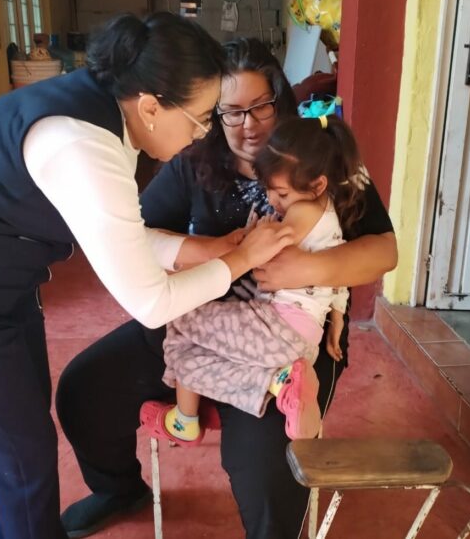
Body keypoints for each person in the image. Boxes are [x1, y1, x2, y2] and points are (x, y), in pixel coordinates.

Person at [0, 15, 294, 539]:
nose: (203, 133)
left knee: (29, 430)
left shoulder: (109, 110)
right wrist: (240, 259)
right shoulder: (81, 146)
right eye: (202, 117)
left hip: (1, 280)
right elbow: (151, 303)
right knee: (20, 457)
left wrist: (205, 250)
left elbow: (114, 231)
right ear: (151, 106)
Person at [55, 37, 398, 539]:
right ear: (211, 113)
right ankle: (118, 489)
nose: (248, 124)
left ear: (280, 99)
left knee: (264, 467)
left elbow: (384, 251)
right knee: (84, 388)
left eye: (261, 106)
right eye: (231, 112)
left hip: (287, 338)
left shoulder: (321, 158)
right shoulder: (192, 160)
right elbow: (135, 236)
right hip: (203, 317)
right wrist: (211, 252)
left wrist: (308, 268)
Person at [140, 114, 371, 446]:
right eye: (268, 189)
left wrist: (249, 239)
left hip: (274, 327)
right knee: (190, 359)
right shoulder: (325, 216)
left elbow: (268, 249)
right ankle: (280, 383)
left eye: (281, 194)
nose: (273, 201)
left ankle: (186, 420)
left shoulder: (302, 213)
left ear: (318, 185)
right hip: (297, 338)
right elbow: (335, 278)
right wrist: (337, 317)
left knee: (179, 313)